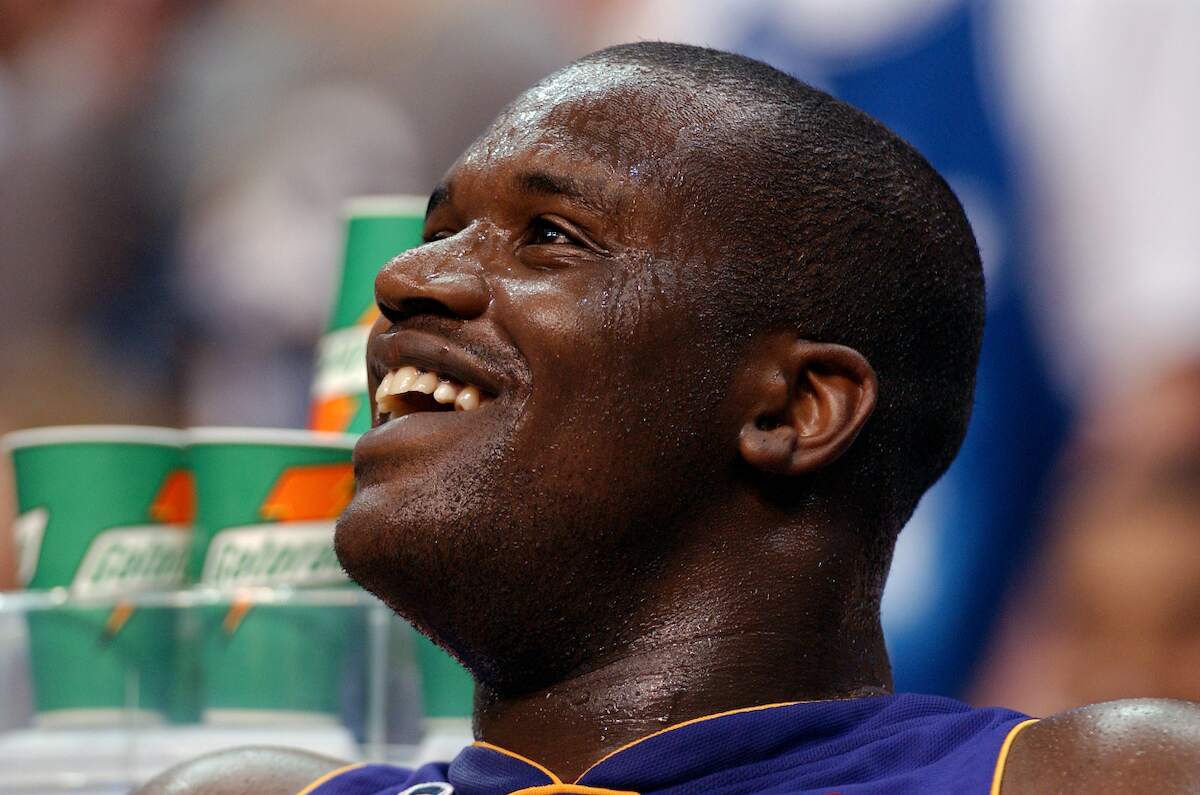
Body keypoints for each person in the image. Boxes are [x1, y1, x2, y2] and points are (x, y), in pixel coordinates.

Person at [139, 43, 1200, 795]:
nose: (404, 278)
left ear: (794, 407)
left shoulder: (1097, 781)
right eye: (439, 230)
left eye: (548, 235)